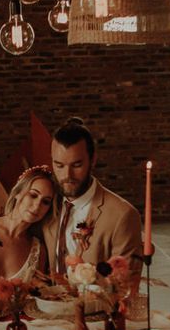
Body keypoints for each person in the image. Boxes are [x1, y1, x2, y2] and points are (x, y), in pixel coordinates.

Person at [44, 117, 143, 278]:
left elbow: (124, 286)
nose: (67, 175)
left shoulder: (122, 215)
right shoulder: (45, 204)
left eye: (77, 165)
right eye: (59, 165)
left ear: (93, 160)